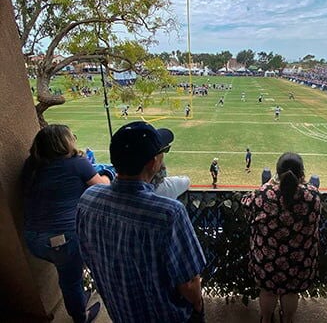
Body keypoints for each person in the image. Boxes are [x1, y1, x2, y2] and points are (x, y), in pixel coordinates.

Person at [76, 121, 206, 322]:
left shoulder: (88, 199)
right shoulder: (168, 213)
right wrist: (197, 305)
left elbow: (87, 255)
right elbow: (189, 283)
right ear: (153, 163)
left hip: (120, 311)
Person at [22, 125, 111, 323]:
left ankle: (78, 298)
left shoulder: (31, 164)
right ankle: (81, 316)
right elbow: (103, 187)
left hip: (32, 239)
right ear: (64, 142)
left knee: (69, 276)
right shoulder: (77, 163)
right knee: (70, 280)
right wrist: (106, 174)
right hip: (61, 240)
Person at [241, 153, 321, 323]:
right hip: (299, 260)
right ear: (302, 173)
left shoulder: (264, 195)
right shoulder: (312, 196)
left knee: (268, 292)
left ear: (277, 172)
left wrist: (268, 184)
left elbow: (246, 207)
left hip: (267, 259)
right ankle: (288, 320)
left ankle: (266, 319)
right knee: (291, 293)